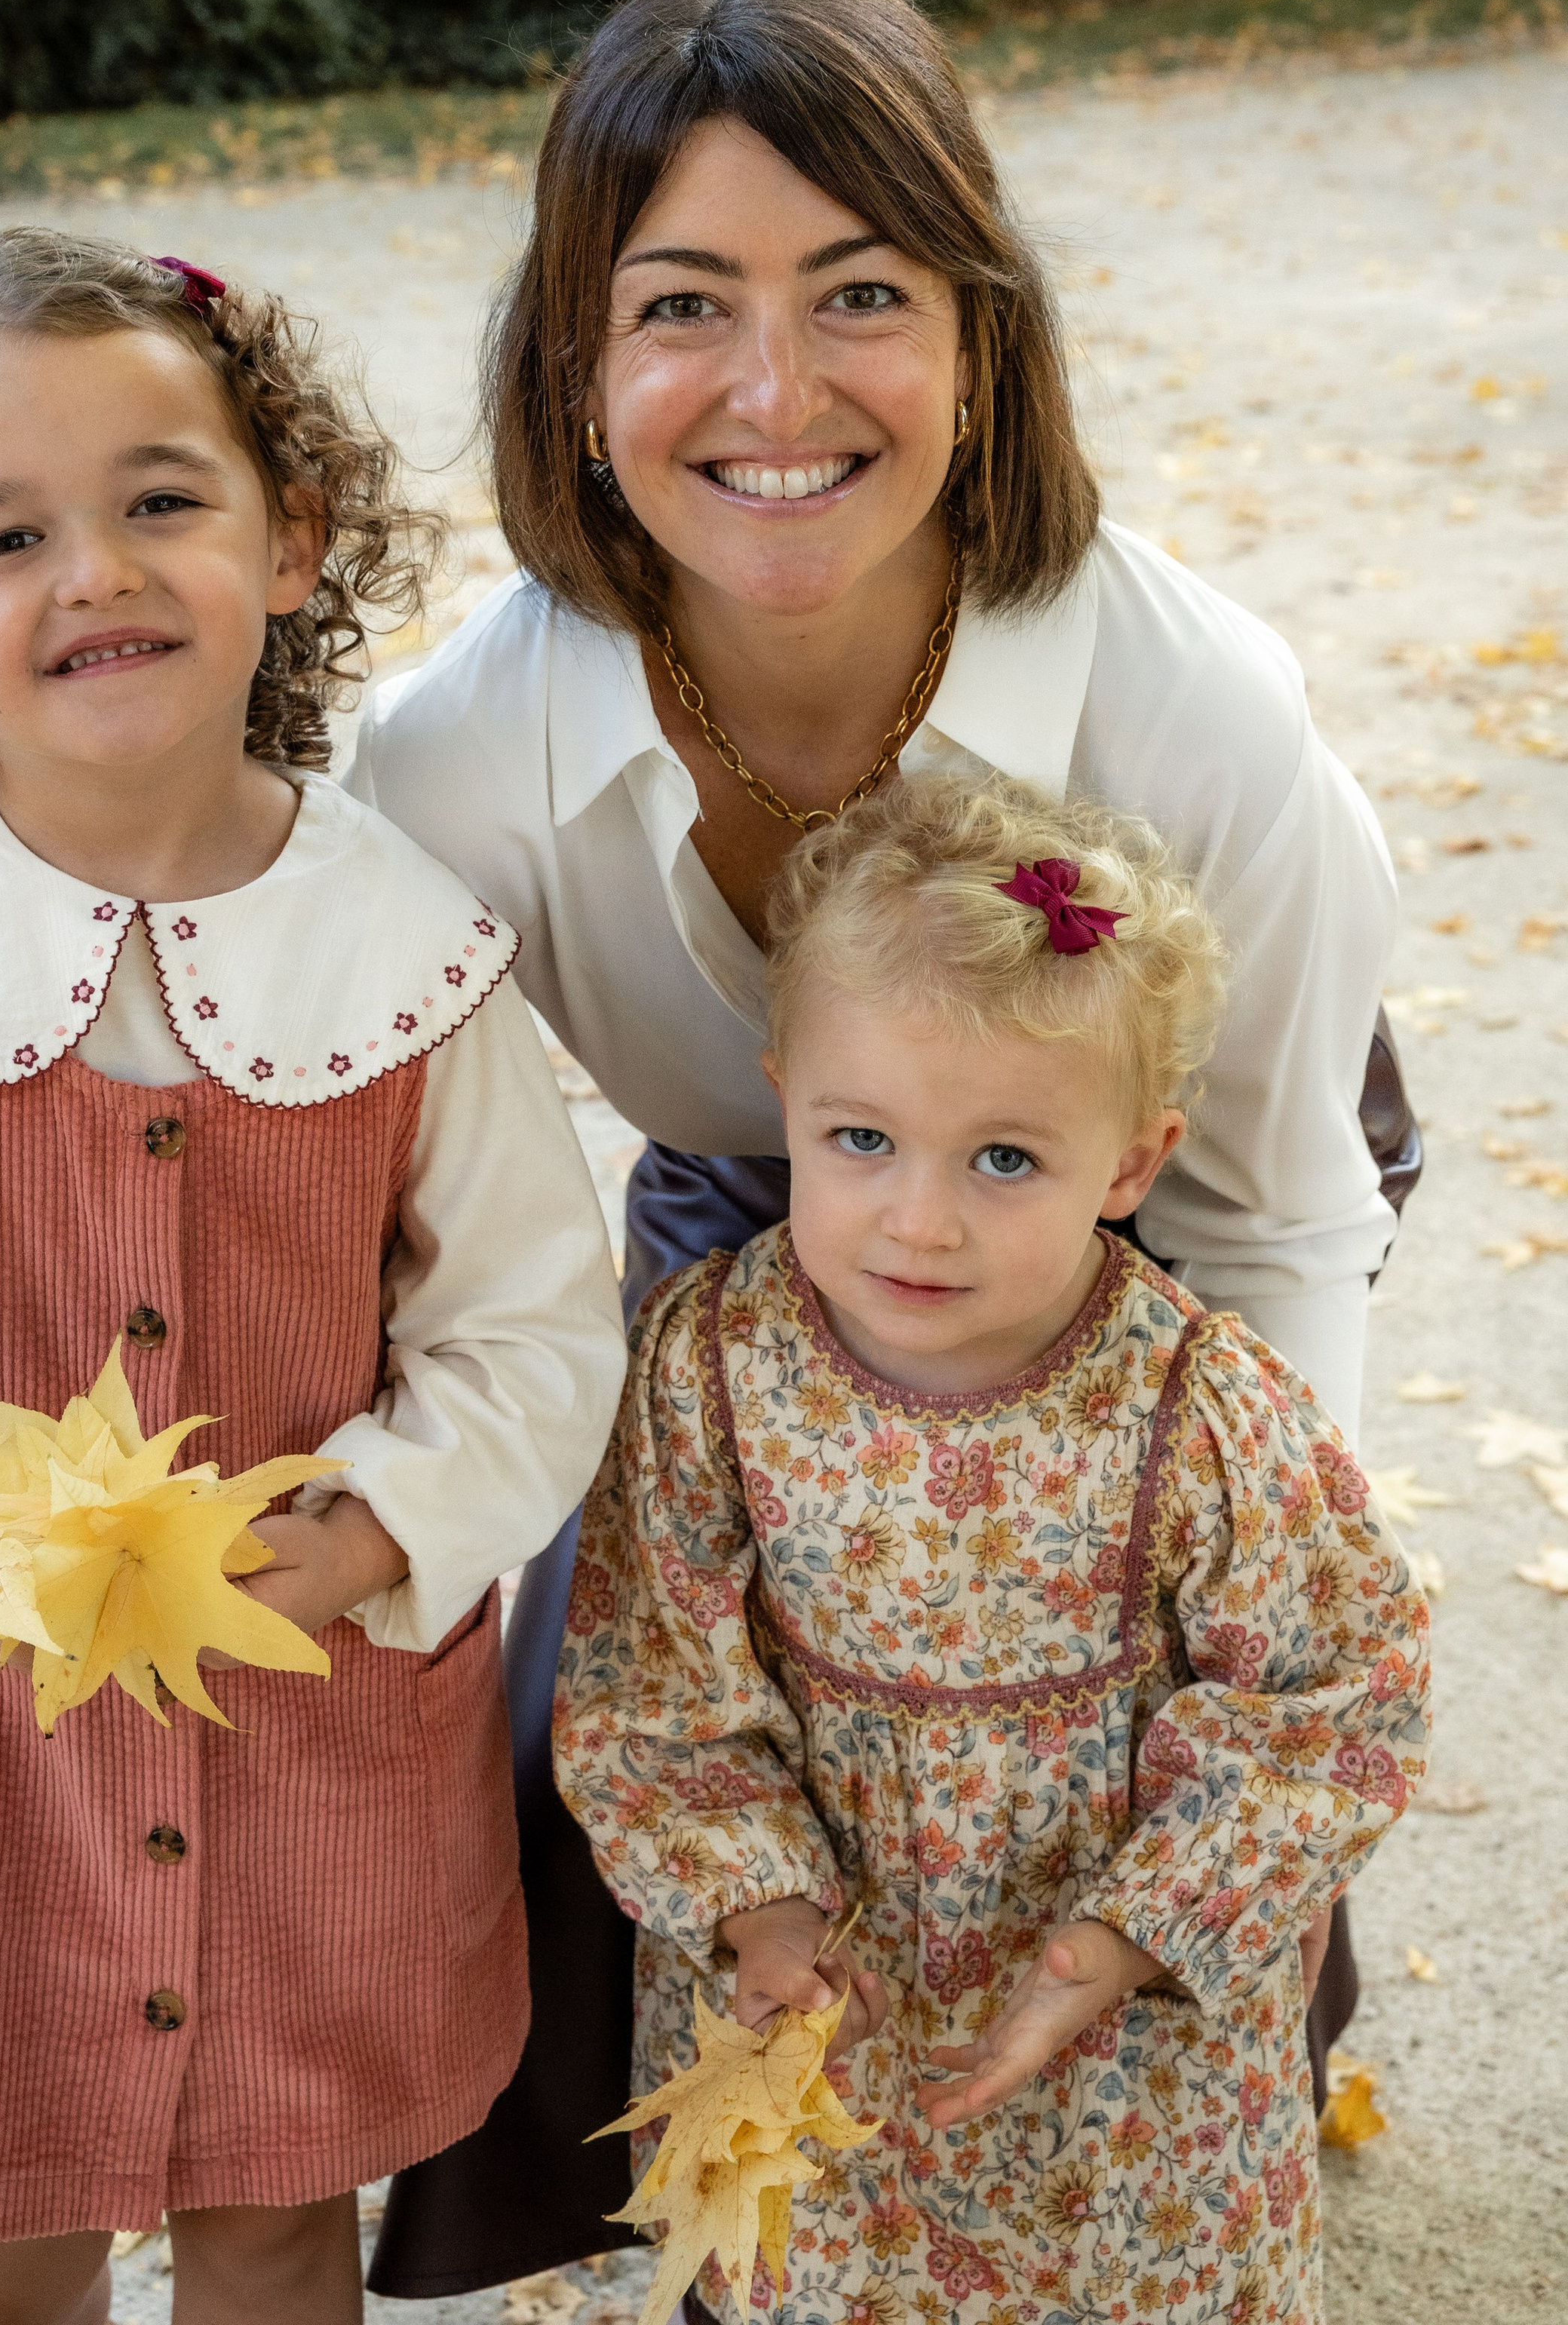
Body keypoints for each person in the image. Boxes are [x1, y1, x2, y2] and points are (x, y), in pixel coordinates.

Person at [349, 0, 1411, 2295]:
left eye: (861, 294)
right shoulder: (453, 765)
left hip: (1178, 1177)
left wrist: (1224, 1610)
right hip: (746, 1212)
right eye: (684, 304)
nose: (773, 388)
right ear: (573, 360)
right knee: (586, 1719)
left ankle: (1188, 2098)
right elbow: (394, 1219)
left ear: (981, 337)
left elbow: (1282, 1215)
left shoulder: (1194, 706)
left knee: (1135, 1734)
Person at [0, 230, 626, 2325]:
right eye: (8, 537)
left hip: (312, 1710)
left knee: (276, 2216)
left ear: (294, 539)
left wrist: (374, 1537)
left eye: (163, 502)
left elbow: (530, 1324)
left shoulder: (412, 948)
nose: (94, 572)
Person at [555, 771, 1431, 2325]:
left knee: (1131, 2275)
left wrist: (1125, 1936)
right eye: (860, 1138)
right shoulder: (712, 1365)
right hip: (828, 1993)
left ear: (1131, 1165)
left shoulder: (1197, 1405)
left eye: (1003, 1160)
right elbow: (650, 1679)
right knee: (826, 2270)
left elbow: (1332, 1697)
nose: (918, 1221)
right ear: (782, 1102)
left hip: (1123, 2034)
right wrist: (757, 1912)